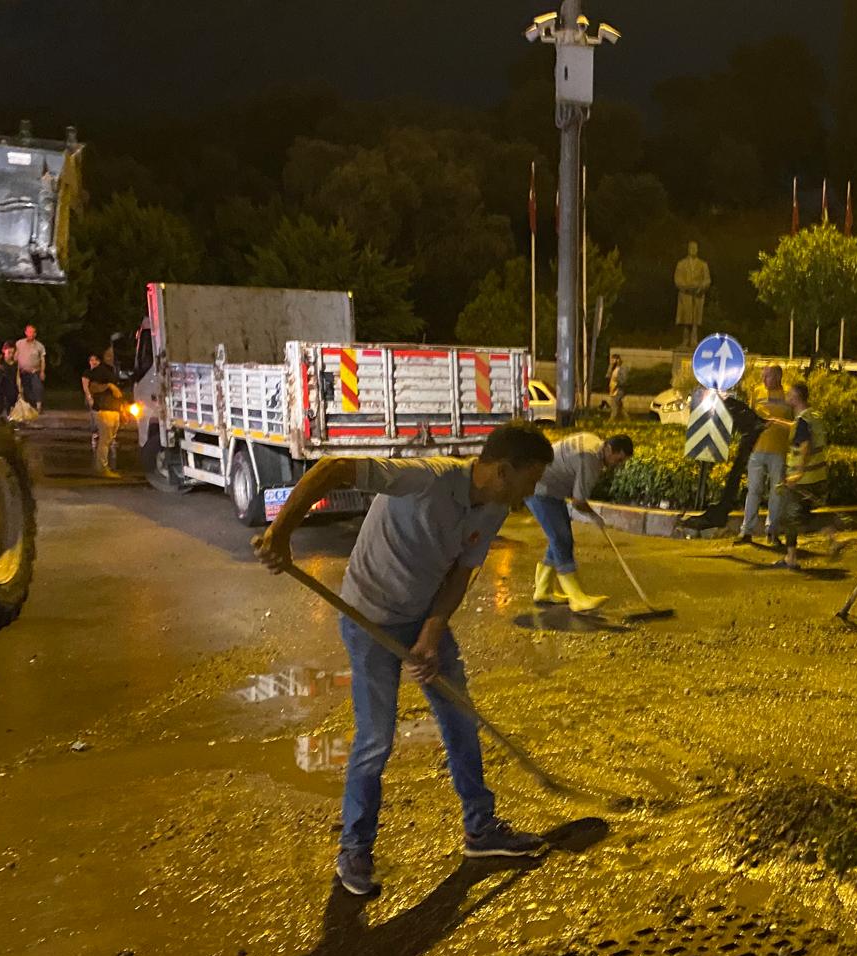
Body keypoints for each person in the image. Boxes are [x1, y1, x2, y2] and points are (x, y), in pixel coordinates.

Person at [251, 424, 557, 897]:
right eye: (530, 479)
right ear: (502, 470)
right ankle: (354, 848)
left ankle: (480, 830)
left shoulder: (494, 507)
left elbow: (461, 572)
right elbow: (333, 469)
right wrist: (281, 530)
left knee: (461, 720)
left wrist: (431, 636)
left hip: (423, 617)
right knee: (375, 739)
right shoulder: (424, 479)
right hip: (368, 620)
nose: (532, 492)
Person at [526, 433, 634, 612]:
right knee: (561, 539)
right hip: (539, 490)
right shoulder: (591, 460)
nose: (618, 465)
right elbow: (578, 502)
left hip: (548, 489)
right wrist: (595, 517)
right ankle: (577, 598)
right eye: (619, 459)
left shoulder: (592, 442)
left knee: (559, 538)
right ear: (610, 449)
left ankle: (543, 590)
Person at [776, 381, 836, 569]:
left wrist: (797, 474)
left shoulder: (803, 420)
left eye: (789, 394)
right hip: (818, 477)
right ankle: (828, 536)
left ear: (796, 398)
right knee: (799, 516)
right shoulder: (813, 416)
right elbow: (804, 432)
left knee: (790, 517)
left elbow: (805, 445)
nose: (787, 396)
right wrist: (776, 423)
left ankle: (792, 557)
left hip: (803, 479)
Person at [736, 365, 793, 546]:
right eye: (763, 375)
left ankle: (772, 531)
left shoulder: (788, 394)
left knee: (776, 492)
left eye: (768, 376)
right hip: (757, 449)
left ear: (778, 377)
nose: (764, 379)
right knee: (754, 490)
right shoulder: (757, 392)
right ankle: (747, 531)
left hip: (778, 450)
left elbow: (795, 422)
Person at [81, 351, 125, 476]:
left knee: (109, 440)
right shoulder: (93, 373)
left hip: (113, 409)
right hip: (103, 409)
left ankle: (104, 466)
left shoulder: (110, 371)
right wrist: (109, 386)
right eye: (91, 360)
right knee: (104, 440)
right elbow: (92, 387)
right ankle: (102, 468)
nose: (93, 362)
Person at [673, 241, 711, 347]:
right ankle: (685, 340)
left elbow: (707, 280)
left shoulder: (703, 264)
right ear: (688, 249)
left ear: (697, 249)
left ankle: (694, 340)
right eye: (691, 248)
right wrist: (686, 287)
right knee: (686, 318)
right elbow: (677, 279)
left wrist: (700, 287)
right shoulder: (681, 264)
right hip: (685, 295)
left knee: (695, 319)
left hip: (698, 295)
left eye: (695, 248)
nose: (693, 249)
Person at [14, 324, 46, 413]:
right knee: (25, 390)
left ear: (35, 334)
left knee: (38, 387)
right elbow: (15, 356)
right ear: (25, 333)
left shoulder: (39, 346)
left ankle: (39, 406)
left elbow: (42, 360)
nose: (31, 334)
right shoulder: (19, 343)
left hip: (34, 371)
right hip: (22, 371)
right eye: (29, 332)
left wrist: (42, 371)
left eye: (32, 332)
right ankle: (29, 407)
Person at [605, 353, 628, 418]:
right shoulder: (612, 368)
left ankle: (610, 422)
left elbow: (623, 381)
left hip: (618, 391)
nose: (612, 362)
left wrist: (617, 380)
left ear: (618, 360)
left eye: (613, 360)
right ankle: (628, 420)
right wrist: (610, 367)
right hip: (612, 390)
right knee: (620, 408)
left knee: (614, 407)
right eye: (611, 360)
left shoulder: (622, 369)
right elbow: (607, 376)